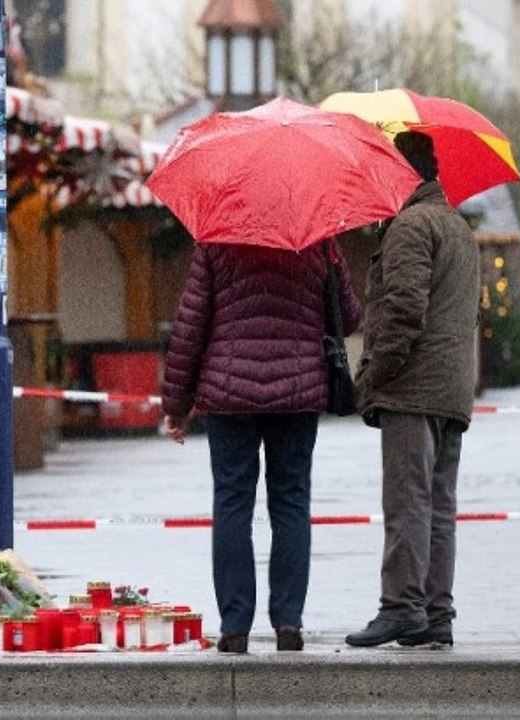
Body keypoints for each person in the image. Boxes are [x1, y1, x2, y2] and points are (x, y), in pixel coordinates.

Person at [161, 239, 361, 653]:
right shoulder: (317, 237)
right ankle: (288, 622)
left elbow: (190, 325)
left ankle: (235, 627)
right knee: (291, 502)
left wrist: (176, 406)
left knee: (232, 503)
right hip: (298, 390)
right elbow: (351, 317)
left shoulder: (217, 238)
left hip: (229, 393)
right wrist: (333, 262)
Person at [345, 131, 480, 649]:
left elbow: (402, 311)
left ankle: (401, 608)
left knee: (408, 501)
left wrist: (372, 376)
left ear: (404, 174)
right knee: (439, 505)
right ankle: (435, 615)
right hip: (451, 390)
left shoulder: (410, 226)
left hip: (412, 388)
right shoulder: (458, 228)